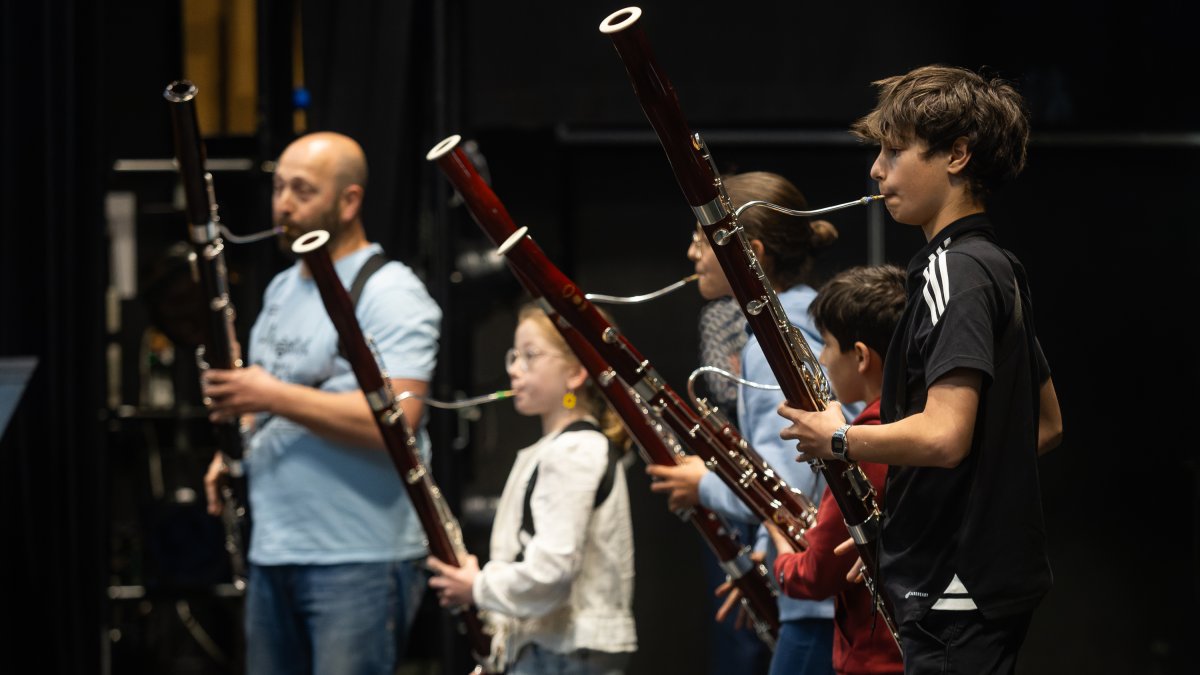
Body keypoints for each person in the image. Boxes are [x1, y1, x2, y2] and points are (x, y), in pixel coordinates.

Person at [777, 65, 1064, 674]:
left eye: (894, 149)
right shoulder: (997, 265)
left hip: (954, 586)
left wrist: (836, 438)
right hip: (987, 577)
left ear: (957, 154)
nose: (877, 170)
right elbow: (1044, 424)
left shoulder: (952, 272)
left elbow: (943, 435)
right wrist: (906, 526)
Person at [200, 131, 442, 675]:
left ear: (349, 201)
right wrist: (236, 446)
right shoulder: (283, 290)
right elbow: (268, 403)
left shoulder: (391, 293)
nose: (283, 204)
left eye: (302, 191)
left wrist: (268, 394)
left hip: (358, 557)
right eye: (279, 187)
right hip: (275, 551)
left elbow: (401, 419)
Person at [646, 171, 847, 675]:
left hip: (814, 598)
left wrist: (703, 483)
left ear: (750, 253)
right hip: (822, 586)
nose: (692, 254)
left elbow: (788, 480)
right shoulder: (809, 321)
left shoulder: (773, 343)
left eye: (701, 239)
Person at [426, 303, 637, 674]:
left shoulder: (574, 451)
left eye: (530, 356)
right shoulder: (555, 449)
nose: (513, 368)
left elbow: (550, 572)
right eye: (513, 355)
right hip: (553, 650)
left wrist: (478, 586)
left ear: (575, 373)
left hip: (566, 654)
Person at [767, 264, 907, 675]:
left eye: (826, 345)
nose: (823, 359)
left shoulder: (867, 440)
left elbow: (818, 573)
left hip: (877, 654)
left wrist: (780, 551)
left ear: (861, 356)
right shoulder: (918, 422)